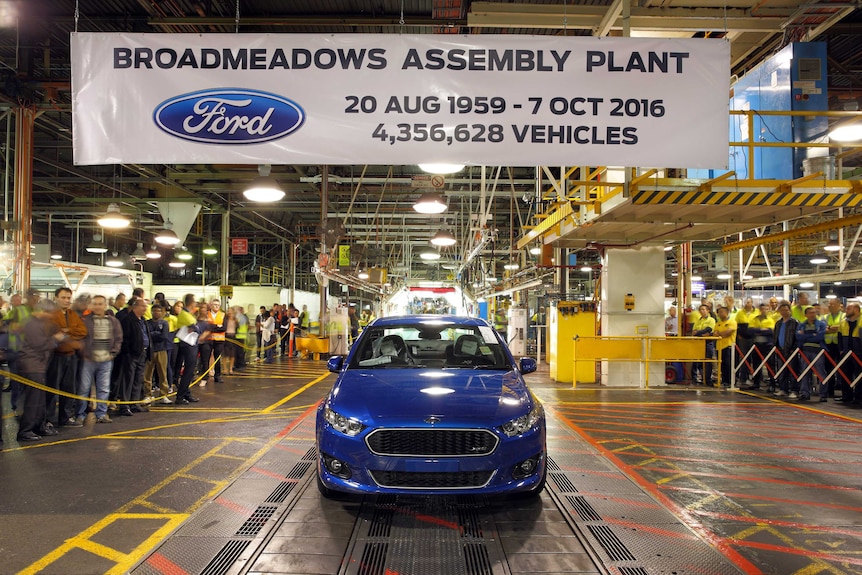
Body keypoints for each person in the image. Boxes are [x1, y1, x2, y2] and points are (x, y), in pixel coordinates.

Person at [16, 299, 66, 441]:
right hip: (32, 366)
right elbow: (39, 344)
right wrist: (55, 339)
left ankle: (39, 426)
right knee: (34, 400)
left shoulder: (36, 323)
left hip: (37, 365)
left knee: (39, 400)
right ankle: (26, 430)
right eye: (51, 313)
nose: (52, 316)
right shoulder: (32, 324)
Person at [77, 295, 123, 424]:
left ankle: (101, 414)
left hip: (106, 360)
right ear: (92, 306)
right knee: (83, 388)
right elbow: (80, 338)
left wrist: (113, 353)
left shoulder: (113, 321)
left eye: (100, 304)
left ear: (105, 305)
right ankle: (80, 414)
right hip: (88, 360)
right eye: (95, 304)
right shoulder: (85, 321)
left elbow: (118, 338)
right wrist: (84, 353)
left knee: (103, 388)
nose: (97, 306)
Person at [47, 287, 87, 428]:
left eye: (68, 298)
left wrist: (67, 331)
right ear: (56, 298)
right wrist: (69, 334)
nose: (66, 300)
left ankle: (65, 417)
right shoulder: (51, 315)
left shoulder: (72, 314)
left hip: (71, 357)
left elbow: (82, 331)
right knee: (52, 389)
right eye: (63, 297)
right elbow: (53, 331)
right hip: (55, 357)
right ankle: (49, 419)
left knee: (69, 388)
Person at [117, 297, 152, 416]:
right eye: (143, 306)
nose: (145, 308)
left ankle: (134, 403)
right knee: (128, 380)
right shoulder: (128, 320)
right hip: (131, 355)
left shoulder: (143, 320)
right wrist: (129, 351)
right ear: (136, 307)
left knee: (138, 379)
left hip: (143, 353)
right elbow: (124, 338)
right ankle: (124, 405)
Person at [174, 294, 202, 405]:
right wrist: (196, 327)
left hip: (191, 343)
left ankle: (186, 393)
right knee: (188, 371)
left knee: (190, 371)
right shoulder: (184, 314)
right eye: (194, 301)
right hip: (188, 344)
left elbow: (196, 327)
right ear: (191, 302)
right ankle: (180, 396)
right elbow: (196, 328)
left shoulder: (188, 314)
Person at [742, 303, 776, 391]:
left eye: (766, 309)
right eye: (762, 309)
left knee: (770, 365)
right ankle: (756, 383)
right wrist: (762, 330)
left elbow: (770, 332)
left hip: (768, 345)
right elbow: (749, 331)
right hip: (756, 345)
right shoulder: (754, 319)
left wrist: (757, 330)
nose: (764, 311)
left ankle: (772, 384)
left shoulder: (770, 320)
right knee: (756, 365)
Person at [796, 306, 826, 402]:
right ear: (806, 315)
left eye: (814, 312)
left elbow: (820, 337)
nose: (812, 315)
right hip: (805, 351)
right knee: (804, 372)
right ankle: (805, 393)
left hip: (818, 351)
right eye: (810, 313)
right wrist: (812, 334)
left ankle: (823, 394)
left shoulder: (821, 324)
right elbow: (798, 337)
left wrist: (805, 335)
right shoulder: (801, 325)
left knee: (821, 373)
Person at [144, 304, 171, 404]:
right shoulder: (147, 323)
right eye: (155, 311)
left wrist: (153, 334)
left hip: (162, 350)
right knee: (147, 374)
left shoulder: (164, 323)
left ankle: (163, 394)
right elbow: (147, 335)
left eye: (159, 311)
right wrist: (156, 334)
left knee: (163, 373)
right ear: (151, 312)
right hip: (150, 350)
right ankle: (147, 394)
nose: (157, 313)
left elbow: (163, 336)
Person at [772, 301, 799, 398]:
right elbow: (775, 335)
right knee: (781, 371)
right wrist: (775, 346)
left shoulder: (794, 323)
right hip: (780, 350)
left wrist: (794, 348)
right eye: (782, 310)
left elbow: (797, 337)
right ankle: (783, 389)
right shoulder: (778, 323)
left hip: (791, 350)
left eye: (786, 310)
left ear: (790, 311)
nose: (784, 312)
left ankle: (794, 390)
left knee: (793, 371)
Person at [838, 302, 862, 404]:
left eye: (848, 309)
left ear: (856, 310)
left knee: (859, 376)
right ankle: (846, 396)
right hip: (846, 353)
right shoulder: (843, 322)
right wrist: (841, 350)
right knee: (845, 374)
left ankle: (859, 397)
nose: (845, 310)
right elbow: (839, 337)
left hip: (859, 353)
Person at [822, 298, 845, 398]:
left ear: (839, 305)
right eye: (829, 304)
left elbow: (841, 327)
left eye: (833, 304)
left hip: (839, 345)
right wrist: (833, 328)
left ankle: (844, 392)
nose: (830, 306)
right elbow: (823, 329)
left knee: (843, 369)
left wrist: (830, 327)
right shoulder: (825, 317)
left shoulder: (843, 316)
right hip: (828, 345)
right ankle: (829, 390)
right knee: (828, 369)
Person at [734, 297, 758, 386]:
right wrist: (739, 335)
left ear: (752, 303)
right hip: (743, 339)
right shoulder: (740, 313)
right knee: (744, 358)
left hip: (754, 339)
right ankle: (744, 378)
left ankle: (756, 379)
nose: (747, 304)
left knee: (755, 358)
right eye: (746, 302)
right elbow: (736, 325)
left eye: (749, 302)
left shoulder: (757, 312)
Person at [692, 304, 716, 385]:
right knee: (698, 362)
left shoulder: (711, 320)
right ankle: (701, 378)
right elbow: (693, 332)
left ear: (708, 310)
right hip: (698, 343)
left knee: (707, 361)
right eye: (701, 309)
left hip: (707, 343)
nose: (702, 311)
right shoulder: (698, 321)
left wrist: (698, 332)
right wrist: (701, 333)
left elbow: (709, 329)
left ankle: (708, 379)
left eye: (704, 309)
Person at [714, 306, 737, 388]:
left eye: (722, 312)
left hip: (728, 346)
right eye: (719, 312)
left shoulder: (732, 322)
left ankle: (731, 381)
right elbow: (715, 333)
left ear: (727, 313)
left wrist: (720, 333)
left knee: (728, 365)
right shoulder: (718, 323)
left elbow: (728, 333)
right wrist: (721, 333)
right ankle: (724, 381)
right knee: (722, 365)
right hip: (719, 347)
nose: (720, 314)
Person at [207, 299, 227, 382]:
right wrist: (217, 326)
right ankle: (205, 376)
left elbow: (223, 328)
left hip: (219, 340)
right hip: (208, 339)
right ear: (211, 305)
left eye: (218, 305)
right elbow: (206, 326)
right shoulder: (207, 314)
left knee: (217, 358)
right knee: (206, 358)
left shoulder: (223, 315)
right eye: (214, 304)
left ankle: (217, 376)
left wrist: (212, 327)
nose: (216, 306)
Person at [234, 305, 249, 371]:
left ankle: (240, 364)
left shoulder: (239, 317)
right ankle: (238, 364)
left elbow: (237, 325)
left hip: (239, 336)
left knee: (239, 352)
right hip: (240, 336)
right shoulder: (243, 316)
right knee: (238, 351)